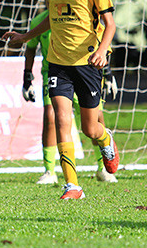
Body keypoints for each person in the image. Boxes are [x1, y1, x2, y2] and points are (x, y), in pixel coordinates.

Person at [3, 0, 120, 200]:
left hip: (87, 63)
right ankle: (72, 185)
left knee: (90, 128)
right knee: (61, 118)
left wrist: (103, 51)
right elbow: (51, 19)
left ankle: (106, 141)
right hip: (57, 62)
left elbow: (110, 24)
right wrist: (25, 36)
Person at [21, 10, 118, 185]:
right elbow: (30, 48)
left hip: (85, 72)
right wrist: (27, 77)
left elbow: (102, 37)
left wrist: (108, 72)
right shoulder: (39, 22)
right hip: (55, 73)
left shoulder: (84, 14)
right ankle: (52, 172)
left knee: (93, 122)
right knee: (52, 117)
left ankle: (102, 166)